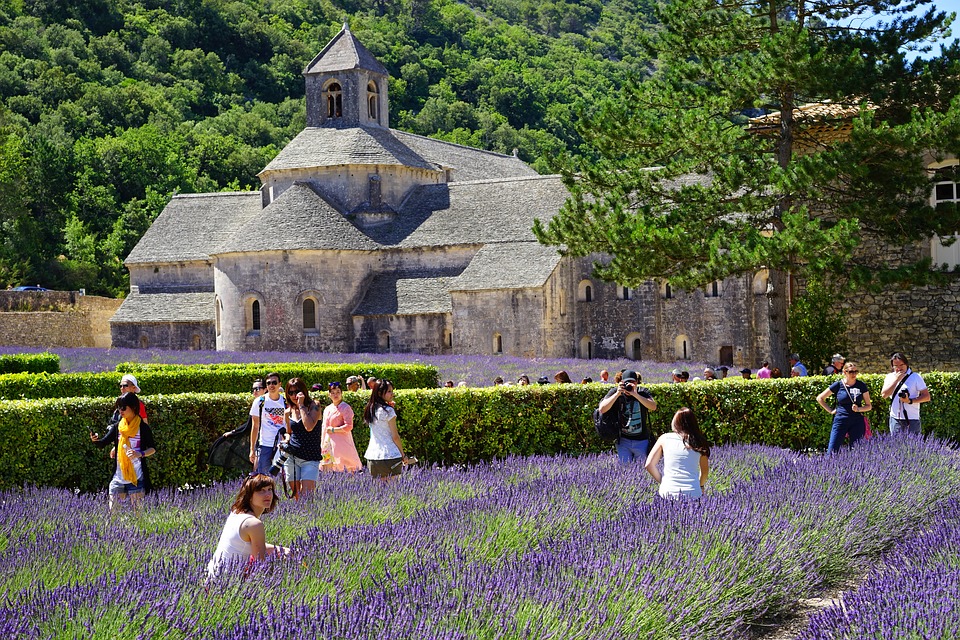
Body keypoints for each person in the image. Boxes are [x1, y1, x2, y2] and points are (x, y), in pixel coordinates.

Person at [207, 473, 286, 578]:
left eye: (269, 489)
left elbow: (245, 545)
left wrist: (282, 550)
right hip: (228, 582)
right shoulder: (254, 524)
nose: (268, 495)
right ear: (249, 495)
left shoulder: (236, 512)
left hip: (213, 576)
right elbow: (260, 565)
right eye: (261, 491)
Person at [90, 392, 156, 511]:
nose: (121, 410)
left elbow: (152, 448)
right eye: (119, 407)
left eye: (124, 407)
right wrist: (95, 440)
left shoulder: (143, 428)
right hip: (118, 477)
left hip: (136, 477)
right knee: (113, 513)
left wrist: (139, 454)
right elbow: (102, 443)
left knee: (138, 515)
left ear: (134, 407)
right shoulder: (118, 427)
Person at [645, 407, 710, 499]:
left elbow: (649, 465)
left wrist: (663, 482)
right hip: (693, 493)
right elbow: (704, 472)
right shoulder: (699, 442)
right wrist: (700, 486)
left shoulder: (665, 438)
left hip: (667, 492)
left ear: (675, 422)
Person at [597, 369, 658, 464]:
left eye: (632, 382)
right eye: (627, 382)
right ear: (622, 382)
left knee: (642, 469)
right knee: (625, 469)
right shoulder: (615, 392)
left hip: (642, 440)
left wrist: (635, 394)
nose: (629, 385)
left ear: (637, 382)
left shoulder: (642, 392)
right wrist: (617, 394)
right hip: (623, 441)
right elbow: (602, 409)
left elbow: (653, 406)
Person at [817, 361, 872, 453]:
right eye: (851, 372)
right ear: (844, 372)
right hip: (841, 419)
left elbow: (868, 406)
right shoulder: (838, 385)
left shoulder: (861, 385)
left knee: (856, 451)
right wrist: (831, 410)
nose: (854, 374)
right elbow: (820, 398)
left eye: (856, 371)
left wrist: (859, 409)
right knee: (832, 449)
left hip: (857, 421)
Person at [279, 378, 321, 497]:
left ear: (303, 391)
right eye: (290, 392)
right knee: (296, 496)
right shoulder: (288, 412)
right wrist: (285, 441)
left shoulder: (314, 406)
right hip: (292, 456)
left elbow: (309, 426)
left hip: (310, 457)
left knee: (307, 496)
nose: (293, 395)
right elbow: (289, 432)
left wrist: (301, 404)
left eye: (296, 392)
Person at [363, 380, 412, 479]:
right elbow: (395, 436)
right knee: (393, 491)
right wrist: (403, 455)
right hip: (390, 455)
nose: (392, 394)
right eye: (389, 391)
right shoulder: (389, 411)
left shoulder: (371, 409)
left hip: (373, 456)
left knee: (379, 492)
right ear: (380, 393)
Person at [880, 352, 930, 435]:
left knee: (913, 446)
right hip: (895, 418)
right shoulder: (889, 377)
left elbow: (927, 396)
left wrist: (910, 401)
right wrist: (896, 380)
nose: (899, 368)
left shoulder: (915, 377)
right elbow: (884, 395)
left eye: (901, 365)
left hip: (912, 418)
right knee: (896, 446)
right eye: (896, 366)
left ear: (906, 364)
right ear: (892, 366)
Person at [249, 372, 287, 475]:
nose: (271, 385)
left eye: (274, 382)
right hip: (265, 445)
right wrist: (252, 449)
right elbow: (255, 426)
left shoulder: (285, 402)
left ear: (280, 384)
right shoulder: (259, 402)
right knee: (263, 478)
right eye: (268, 383)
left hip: (281, 447)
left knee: (282, 478)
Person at [322, 381, 362, 473]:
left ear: (341, 393)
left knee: (347, 468)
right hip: (328, 444)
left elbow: (349, 426)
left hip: (342, 444)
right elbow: (324, 428)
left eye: (338, 392)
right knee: (327, 469)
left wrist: (333, 430)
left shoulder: (345, 408)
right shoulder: (328, 409)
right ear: (329, 395)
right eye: (333, 393)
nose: (335, 395)